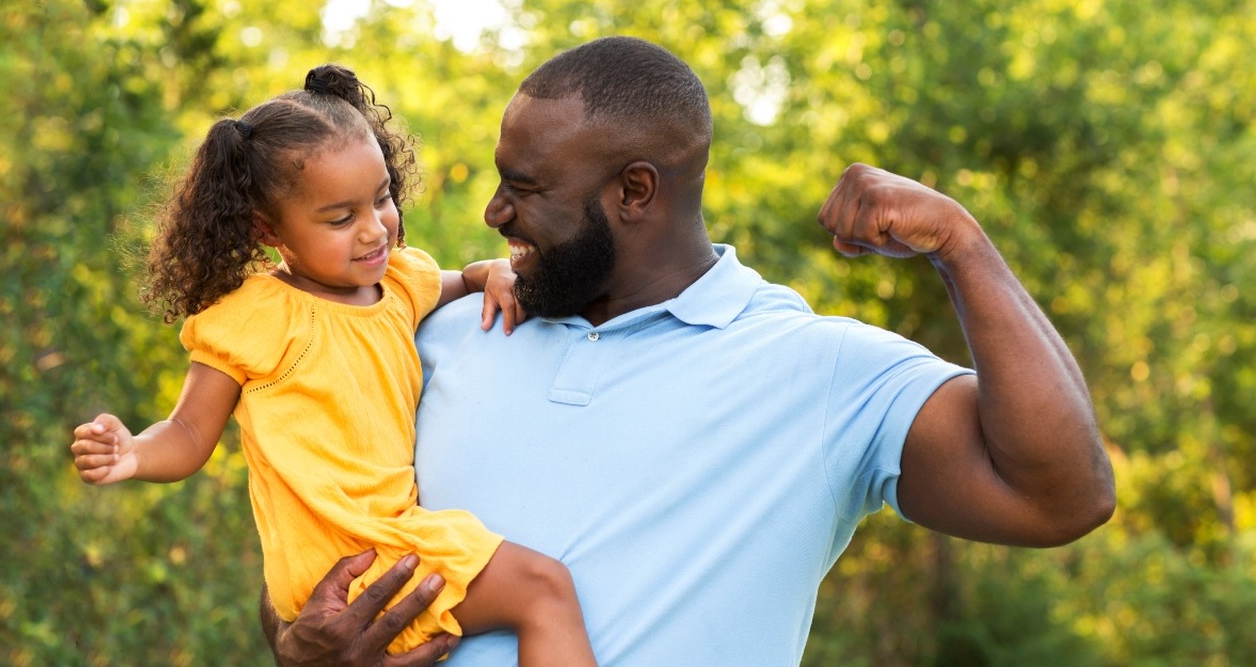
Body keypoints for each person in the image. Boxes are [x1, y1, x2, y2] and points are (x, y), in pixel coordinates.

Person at [265, 37, 1116, 666]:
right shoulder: (427, 333)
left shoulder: (816, 370)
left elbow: (1060, 496)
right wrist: (301, 644)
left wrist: (962, 247)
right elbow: (302, 557)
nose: (493, 213)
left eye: (526, 188)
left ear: (635, 191)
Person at [70, 64, 597, 666]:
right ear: (268, 230)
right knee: (544, 591)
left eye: (381, 199)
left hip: (387, 534)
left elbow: (464, 277)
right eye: (341, 218)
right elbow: (189, 432)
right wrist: (134, 452)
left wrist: (495, 271)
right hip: (346, 557)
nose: (375, 230)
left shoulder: (398, 282)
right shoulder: (258, 314)